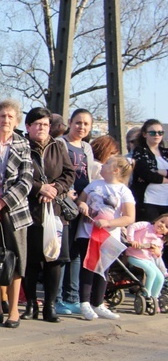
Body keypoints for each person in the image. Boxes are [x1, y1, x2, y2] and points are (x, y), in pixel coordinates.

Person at [0, 100, 33, 328]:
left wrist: (2, 203)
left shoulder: (23, 144)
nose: (6, 121)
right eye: (2, 116)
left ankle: (13, 311)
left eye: (11, 117)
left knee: (16, 261)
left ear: (17, 120)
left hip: (14, 211)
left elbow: (27, 180)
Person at [22, 107, 75, 323]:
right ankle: (31, 303)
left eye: (45, 124)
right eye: (38, 124)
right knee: (31, 260)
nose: (42, 128)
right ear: (28, 126)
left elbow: (69, 173)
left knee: (55, 260)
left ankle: (50, 305)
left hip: (55, 211)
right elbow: (17, 174)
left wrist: (55, 188)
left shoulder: (58, 146)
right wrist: (38, 188)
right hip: (31, 210)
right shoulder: (22, 145)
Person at [74, 156, 135, 320]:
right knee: (87, 266)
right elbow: (81, 200)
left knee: (103, 268)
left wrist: (109, 222)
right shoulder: (94, 184)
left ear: (115, 170)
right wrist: (82, 205)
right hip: (87, 232)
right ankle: (84, 302)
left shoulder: (123, 191)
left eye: (107, 163)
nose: (103, 165)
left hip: (108, 235)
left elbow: (129, 217)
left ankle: (98, 303)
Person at [56, 109, 97, 317]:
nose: (82, 127)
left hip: (82, 204)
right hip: (64, 203)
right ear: (70, 123)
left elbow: (88, 175)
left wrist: (87, 198)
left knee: (76, 252)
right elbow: (56, 171)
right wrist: (66, 192)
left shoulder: (87, 148)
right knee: (62, 251)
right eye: (78, 123)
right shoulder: (60, 143)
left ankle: (72, 296)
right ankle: (57, 298)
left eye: (86, 124)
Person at [125, 214, 168, 312]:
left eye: (166, 226)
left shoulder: (159, 240)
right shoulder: (146, 226)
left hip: (147, 259)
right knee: (151, 273)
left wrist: (157, 253)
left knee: (160, 277)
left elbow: (157, 255)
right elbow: (132, 226)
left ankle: (154, 297)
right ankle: (146, 295)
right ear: (157, 219)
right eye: (162, 221)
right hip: (134, 256)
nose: (162, 225)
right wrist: (131, 240)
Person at [130, 119, 168, 223]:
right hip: (148, 201)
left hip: (166, 200)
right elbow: (145, 173)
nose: (157, 135)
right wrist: (165, 179)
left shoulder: (166, 152)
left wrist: (155, 170)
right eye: (152, 132)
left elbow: (150, 171)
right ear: (144, 134)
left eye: (160, 132)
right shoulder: (140, 151)